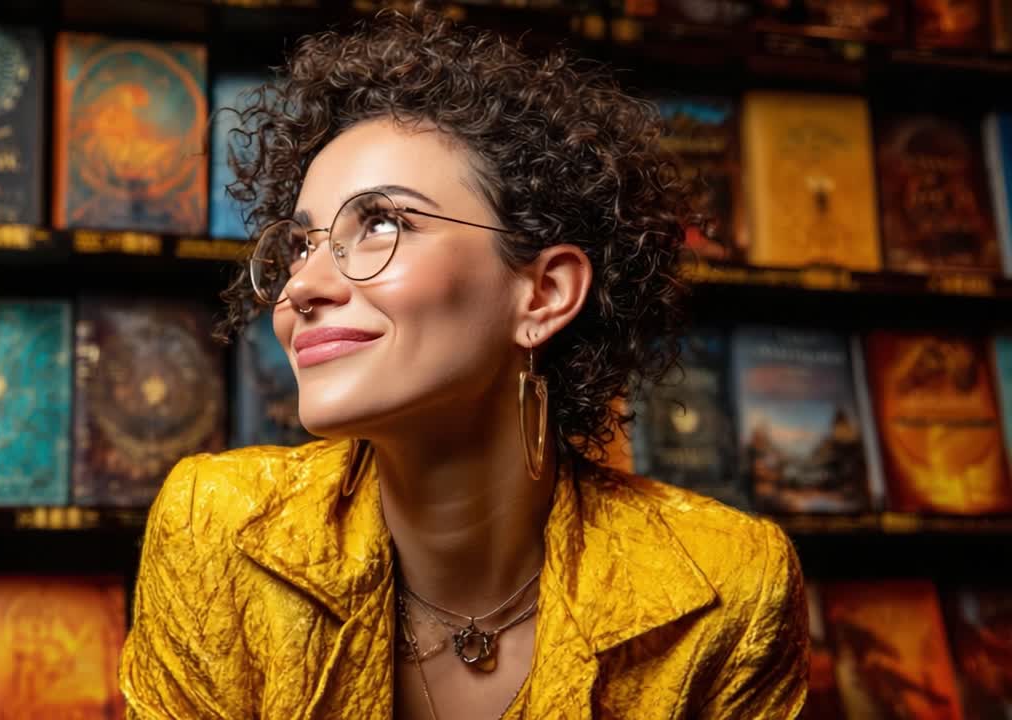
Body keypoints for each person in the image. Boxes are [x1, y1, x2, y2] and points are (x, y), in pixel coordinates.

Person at [120, 8, 808, 719]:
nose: (300, 289)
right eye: (300, 245)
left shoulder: (733, 587)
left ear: (543, 292)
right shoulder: (216, 530)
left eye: (382, 222)